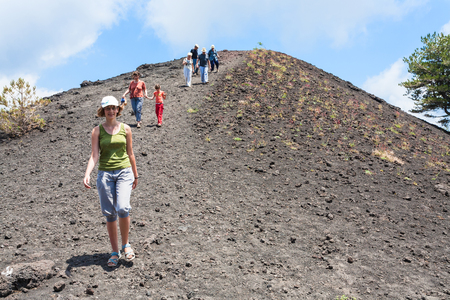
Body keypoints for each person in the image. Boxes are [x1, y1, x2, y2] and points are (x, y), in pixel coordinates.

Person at [83, 96, 138, 267]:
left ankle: (126, 245)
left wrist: (135, 175)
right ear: (103, 110)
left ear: (118, 110)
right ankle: (115, 252)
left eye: (114, 108)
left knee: (122, 207)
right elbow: (94, 155)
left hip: (124, 172)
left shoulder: (126, 129)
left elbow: (130, 153)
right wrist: (87, 173)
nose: (111, 111)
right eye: (108, 108)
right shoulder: (97, 131)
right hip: (105, 174)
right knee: (110, 214)